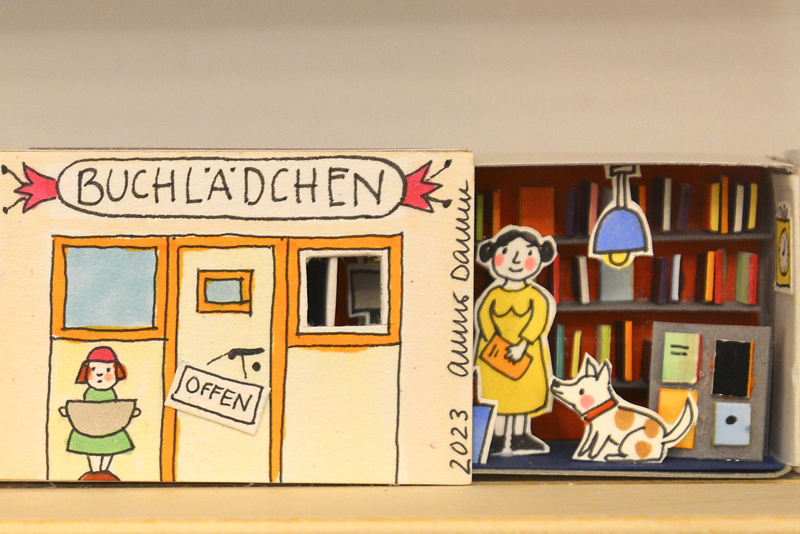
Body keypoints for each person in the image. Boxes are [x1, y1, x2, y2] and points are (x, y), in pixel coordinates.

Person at [475, 225, 557, 455]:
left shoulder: (535, 296)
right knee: (497, 394)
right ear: (493, 255)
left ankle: (520, 435)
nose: (517, 260)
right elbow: (484, 317)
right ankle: (497, 437)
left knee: (523, 394)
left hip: (525, 353)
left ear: (541, 256)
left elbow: (538, 321)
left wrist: (522, 345)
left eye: (528, 253)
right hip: (494, 354)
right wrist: (495, 342)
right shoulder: (493, 294)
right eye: (507, 252)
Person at [60, 346, 138, 481]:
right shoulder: (89, 393)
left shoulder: (111, 393)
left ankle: (104, 472)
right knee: (92, 450)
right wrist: (69, 412)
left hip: (111, 431)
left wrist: (128, 412)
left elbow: (113, 409)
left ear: (116, 372)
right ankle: (95, 472)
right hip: (89, 430)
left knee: (109, 450)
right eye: (94, 370)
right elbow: (86, 409)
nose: (100, 375)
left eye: (108, 370)